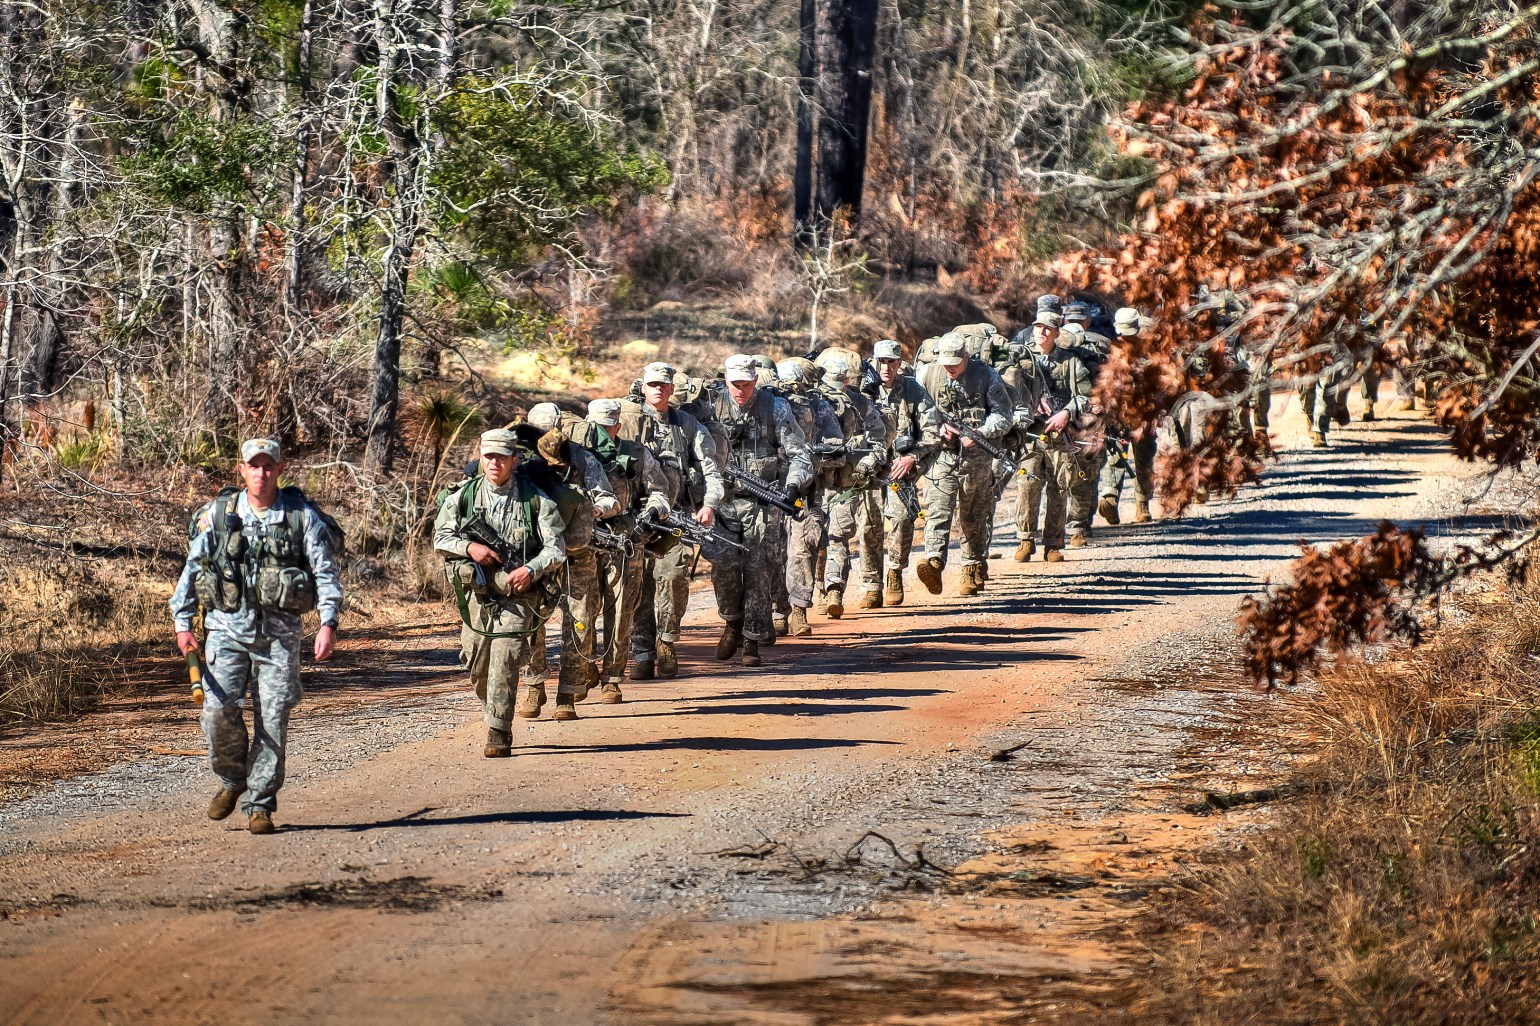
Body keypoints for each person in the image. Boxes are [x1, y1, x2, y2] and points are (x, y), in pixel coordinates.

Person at [172, 438, 343, 834]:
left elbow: (325, 574)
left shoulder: (301, 518)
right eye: (254, 466)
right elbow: (193, 568)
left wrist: (328, 623)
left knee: (273, 718)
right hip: (225, 632)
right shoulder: (218, 515)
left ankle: (260, 804)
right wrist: (183, 625)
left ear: (279, 470)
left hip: (279, 638)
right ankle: (233, 780)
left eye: (268, 466)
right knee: (217, 710)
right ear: (242, 469)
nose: (261, 473)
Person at [435, 428, 567, 757]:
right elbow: (440, 539)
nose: (494, 463)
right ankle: (493, 705)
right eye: (488, 456)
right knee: (476, 662)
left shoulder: (536, 500)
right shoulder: (463, 497)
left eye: (501, 457)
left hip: (521, 593)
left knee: (506, 658)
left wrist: (531, 569)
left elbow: (556, 549)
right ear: (480, 458)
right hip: (478, 594)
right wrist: (469, 547)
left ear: (514, 460)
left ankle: (498, 730)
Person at [619, 362, 723, 679]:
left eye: (664, 384)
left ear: (671, 388)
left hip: (673, 515)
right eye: (653, 384)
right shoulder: (625, 421)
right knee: (636, 586)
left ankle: (667, 639)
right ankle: (642, 653)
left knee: (673, 576)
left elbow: (711, 470)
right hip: (632, 518)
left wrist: (709, 504)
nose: (658, 389)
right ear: (643, 386)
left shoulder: (687, 425)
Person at [709, 354, 812, 665]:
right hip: (723, 501)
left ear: (756, 381)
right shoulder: (711, 407)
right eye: (735, 384)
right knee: (723, 566)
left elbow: (799, 454)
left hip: (765, 501)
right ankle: (732, 623)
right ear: (726, 381)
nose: (741, 390)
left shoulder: (774, 407)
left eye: (746, 384)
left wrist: (793, 486)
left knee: (759, 568)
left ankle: (751, 641)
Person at [581, 398, 672, 700]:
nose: (602, 432)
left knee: (621, 610)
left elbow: (660, 490)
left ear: (617, 426)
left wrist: (652, 512)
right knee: (583, 607)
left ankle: (612, 677)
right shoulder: (576, 455)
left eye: (608, 427)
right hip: (586, 540)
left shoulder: (635, 453)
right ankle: (584, 666)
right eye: (596, 426)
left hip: (626, 540)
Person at [915, 333, 1013, 596]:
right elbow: (915, 411)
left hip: (977, 456)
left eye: (955, 362)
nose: (950, 367)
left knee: (973, 512)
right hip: (941, 454)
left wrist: (980, 432)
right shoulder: (925, 375)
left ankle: (971, 566)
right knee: (938, 508)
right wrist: (937, 427)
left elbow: (1004, 416)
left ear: (966, 358)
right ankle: (934, 562)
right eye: (946, 362)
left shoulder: (986, 375)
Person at [775, 356, 843, 636]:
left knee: (804, 547)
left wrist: (817, 454)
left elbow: (837, 448)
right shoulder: (767, 408)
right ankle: (777, 610)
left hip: (807, 493)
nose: (792, 391)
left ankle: (799, 611)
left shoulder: (819, 406)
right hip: (767, 492)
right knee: (773, 552)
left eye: (797, 386)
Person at [817, 354, 890, 613]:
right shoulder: (811, 403)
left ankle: (834, 589)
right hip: (814, 483)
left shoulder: (860, 403)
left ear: (848, 381)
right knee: (814, 540)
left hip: (847, 481)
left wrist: (869, 462)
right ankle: (820, 587)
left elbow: (880, 438)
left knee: (838, 532)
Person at [870, 339, 941, 605]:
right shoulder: (865, 390)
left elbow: (932, 430)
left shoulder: (913, 390)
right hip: (869, 469)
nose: (886, 367)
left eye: (891, 361)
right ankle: (870, 584)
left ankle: (895, 572)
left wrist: (912, 457)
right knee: (869, 524)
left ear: (900, 363)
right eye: (882, 361)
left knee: (901, 519)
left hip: (901, 469)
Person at [1024, 313, 1095, 559]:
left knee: (1059, 487)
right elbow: (1007, 392)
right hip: (1031, 434)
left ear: (1056, 332)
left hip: (1061, 435)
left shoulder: (1071, 362)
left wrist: (1067, 412)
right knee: (1028, 485)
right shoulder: (1022, 358)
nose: (1042, 332)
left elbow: (1085, 395)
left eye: (1048, 328)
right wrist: (1028, 407)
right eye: (1038, 327)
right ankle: (1025, 539)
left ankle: (1053, 543)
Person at [1096, 307, 1157, 525]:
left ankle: (1142, 504)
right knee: (1116, 459)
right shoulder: (1110, 350)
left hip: (1143, 417)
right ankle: (1111, 500)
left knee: (1144, 461)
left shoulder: (1150, 351)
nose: (1124, 336)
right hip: (1117, 417)